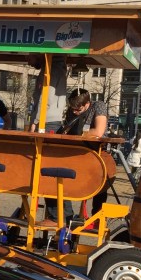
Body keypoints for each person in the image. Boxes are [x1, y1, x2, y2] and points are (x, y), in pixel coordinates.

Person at [40, 88, 108, 225]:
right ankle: (62, 216)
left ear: (87, 104)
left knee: (101, 181)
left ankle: (97, 219)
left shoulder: (98, 106)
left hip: (95, 153)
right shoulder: (72, 111)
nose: (75, 112)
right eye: (73, 109)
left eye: (78, 109)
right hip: (75, 152)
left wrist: (80, 133)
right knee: (51, 172)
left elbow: (98, 132)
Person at [27, 54, 67, 133]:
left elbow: (46, 98)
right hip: (50, 120)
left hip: (46, 121)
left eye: (29, 58)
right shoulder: (55, 70)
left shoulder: (50, 71)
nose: (29, 63)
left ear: (39, 54)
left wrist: (35, 121)